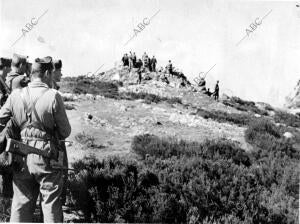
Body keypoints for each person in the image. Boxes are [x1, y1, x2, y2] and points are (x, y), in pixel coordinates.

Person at [0, 56, 71, 222]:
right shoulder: (54, 96)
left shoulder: (16, 95)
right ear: (47, 73)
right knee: (50, 204)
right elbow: (65, 131)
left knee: (21, 205)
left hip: (20, 155)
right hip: (47, 157)